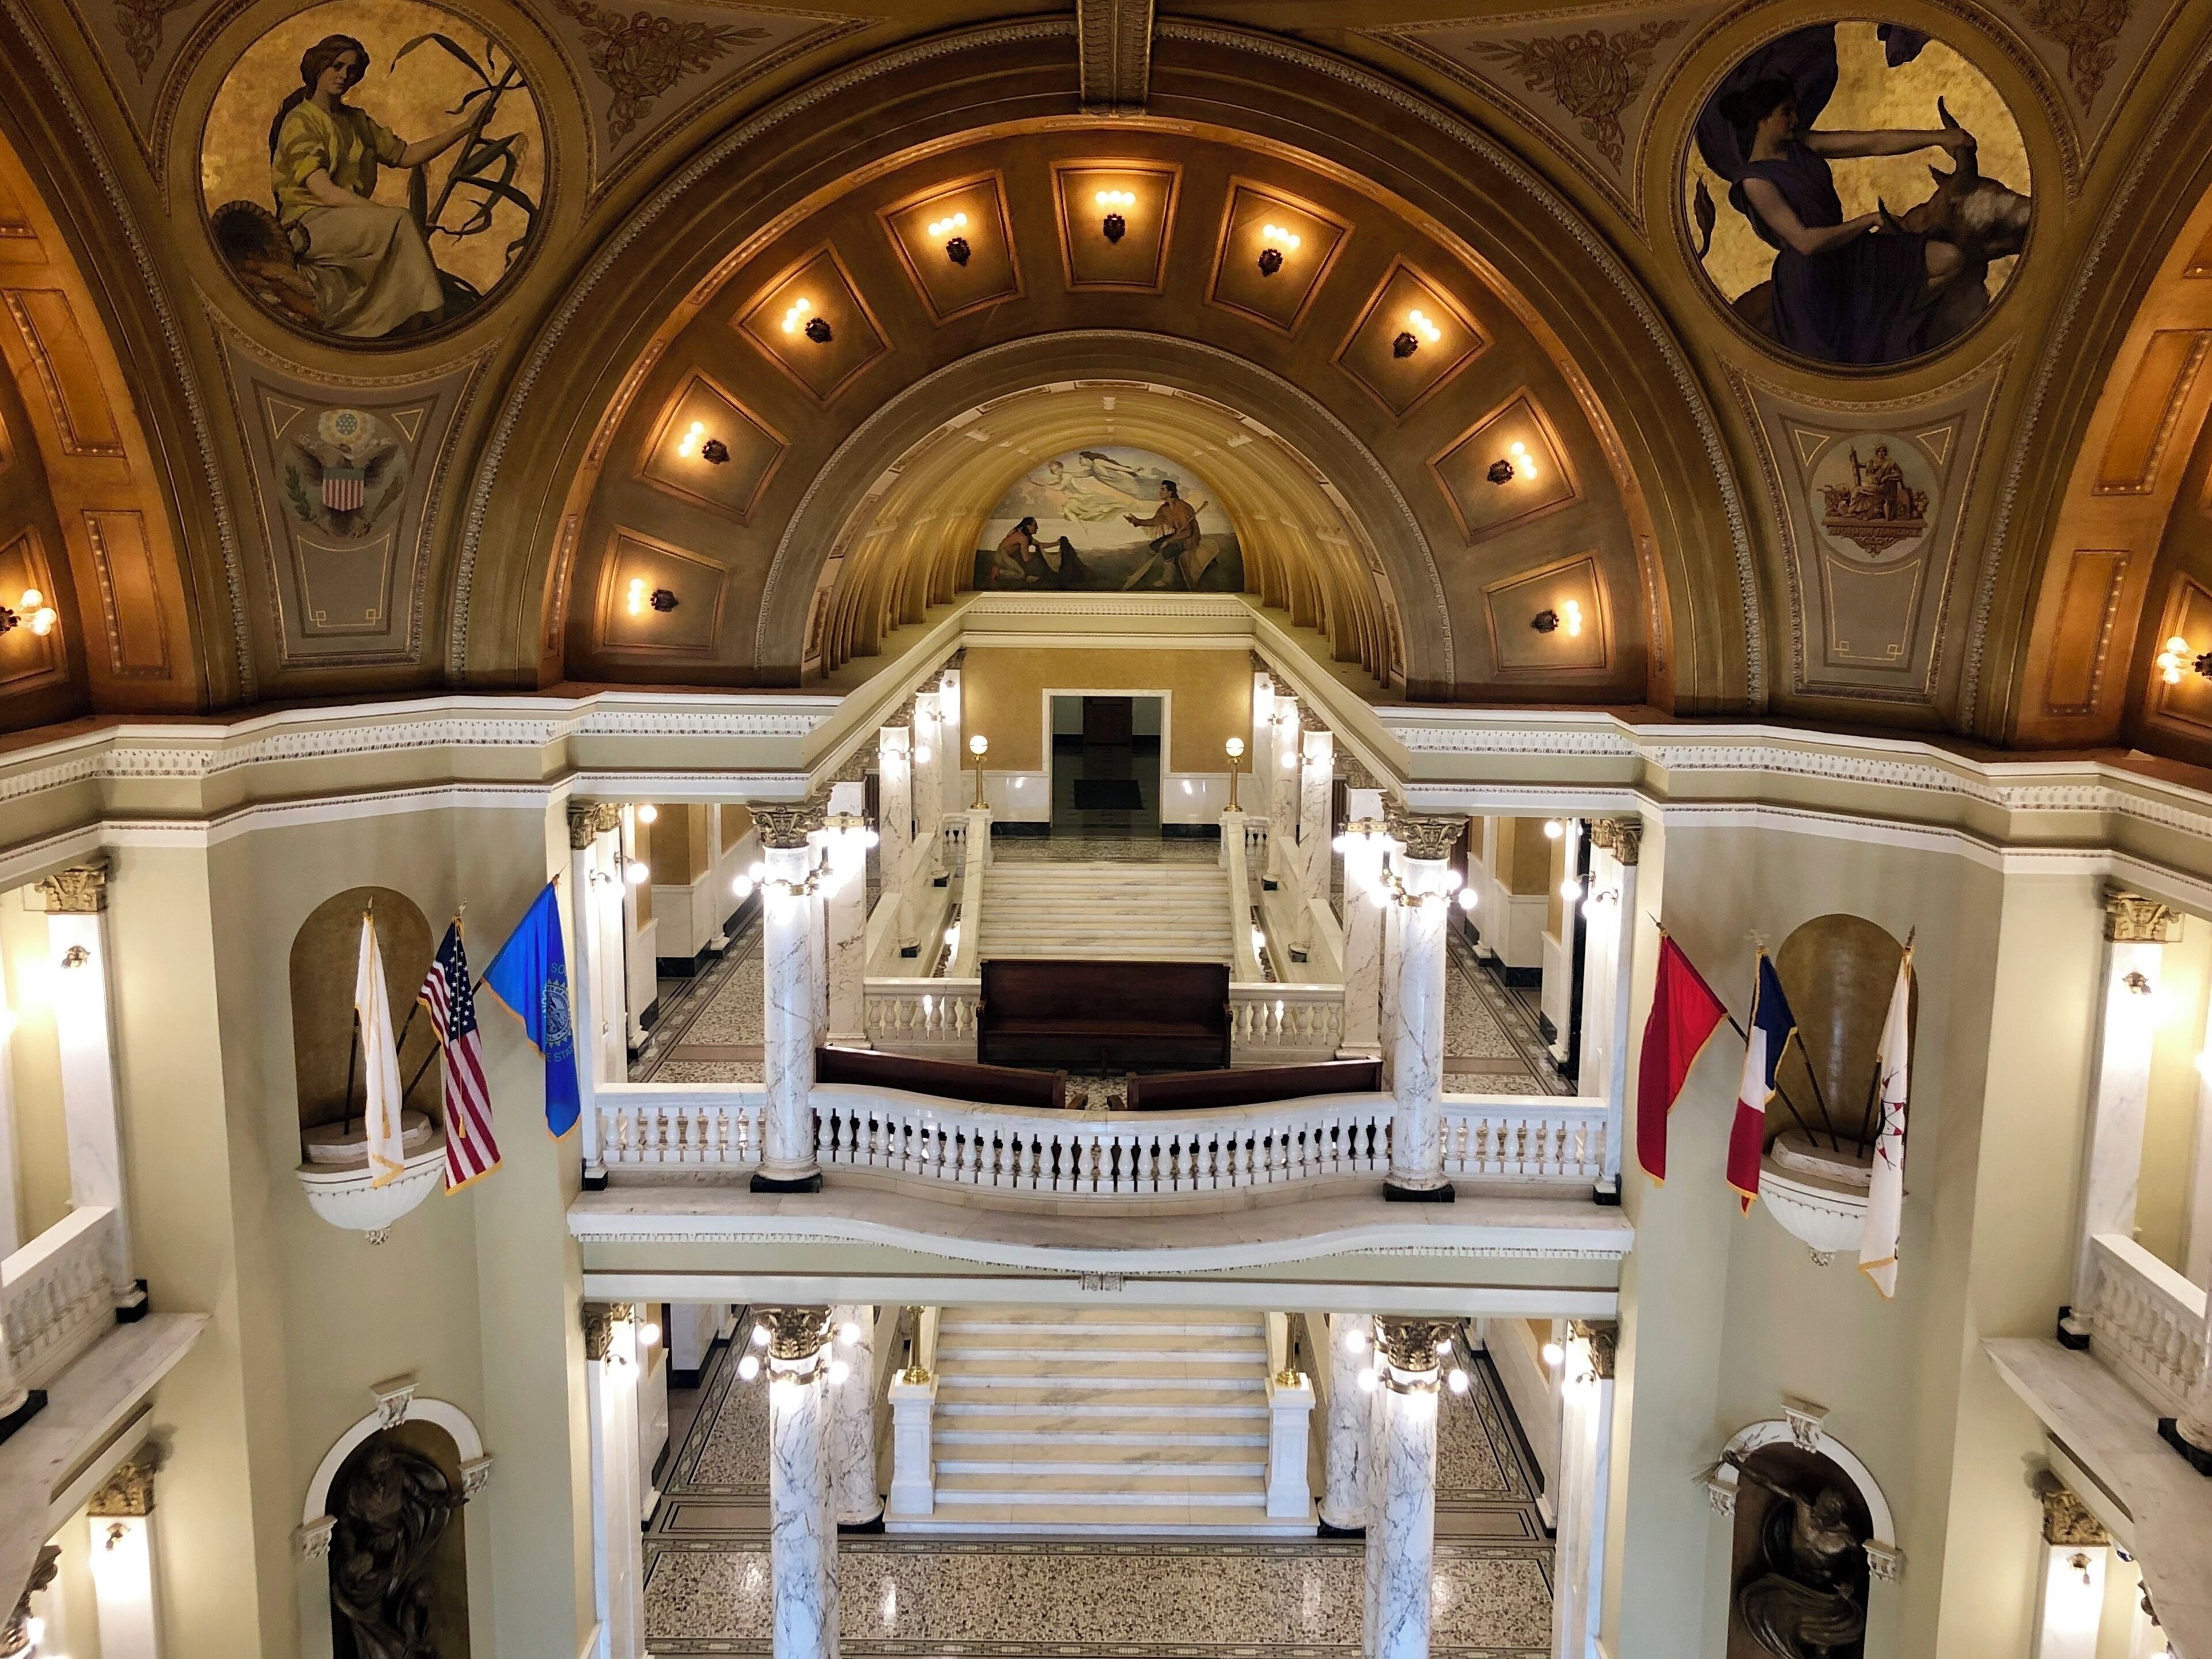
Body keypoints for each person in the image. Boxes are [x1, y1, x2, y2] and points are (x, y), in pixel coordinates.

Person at [1719, 77, 1972, 365]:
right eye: (1786, 112)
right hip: (1812, 279)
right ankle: (1882, 332)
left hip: (1851, 254)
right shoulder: (1755, 181)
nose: (1795, 119)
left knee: (1950, 258)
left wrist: (1939, 137)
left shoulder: (1803, 145)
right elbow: (1805, 242)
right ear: (1762, 119)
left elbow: (1874, 142)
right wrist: (1869, 220)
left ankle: (1886, 323)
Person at [268, 36, 476, 338]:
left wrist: (465, 127)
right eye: (336, 66)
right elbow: (324, 192)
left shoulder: (355, 120)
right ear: (318, 67)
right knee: (401, 221)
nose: (344, 76)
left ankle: (415, 322)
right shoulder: (300, 121)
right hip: (309, 222)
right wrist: (384, 214)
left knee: (399, 223)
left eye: (351, 70)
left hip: (348, 218)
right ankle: (433, 319)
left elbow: (405, 155)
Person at [1121, 480, 1211, 590]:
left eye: (1163, 489)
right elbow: (1155, 522)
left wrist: (1169, 541)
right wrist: (1137, 521)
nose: (1160, 492)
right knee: (1153, 548)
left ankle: (1167, 580)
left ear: (1170, 492)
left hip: (1189, 538)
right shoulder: (1165, 509)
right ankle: (1137, 575)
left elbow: (1188, 532)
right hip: (1177, 535)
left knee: (1168, 551)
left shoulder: (1183, 508)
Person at [990, 517, 1044, 586]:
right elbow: (1026, 559)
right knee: (1020, 574)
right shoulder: (1023, 538)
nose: (1037, 528)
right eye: (1035, 526)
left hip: (1008, 556)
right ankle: (998, 572)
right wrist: (1036, 555)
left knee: (1021, 571)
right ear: (1028, 527)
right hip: (1003, 556)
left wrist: (1057, 543)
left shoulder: (1026, 536)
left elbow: (1040, 545)